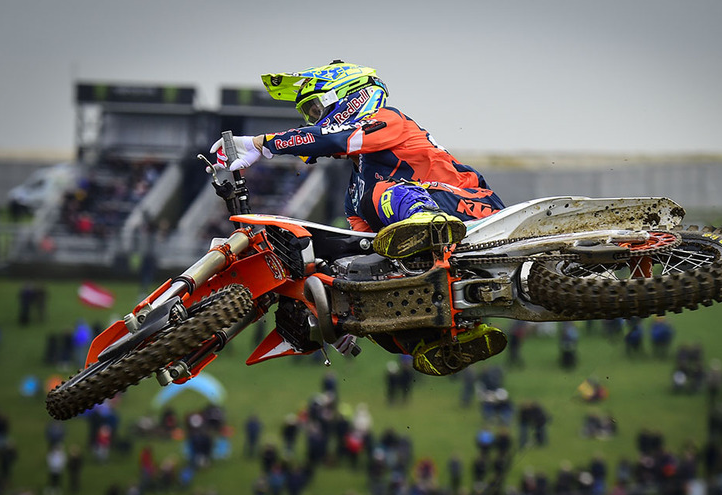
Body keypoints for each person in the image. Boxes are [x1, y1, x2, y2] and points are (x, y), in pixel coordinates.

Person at [211, 60, 508, 376]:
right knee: (368, 301)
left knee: (386, 192)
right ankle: (447, 340)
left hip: (470, 207)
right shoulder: (355, 192)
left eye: (316, 109)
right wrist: (343, 310)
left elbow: (336, 137)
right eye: (309, 114)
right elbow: (363, 247)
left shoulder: (389, 120)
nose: (314, 119)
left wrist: (263, 144)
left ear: (349, 97)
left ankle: (426, 219)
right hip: (438, 244)